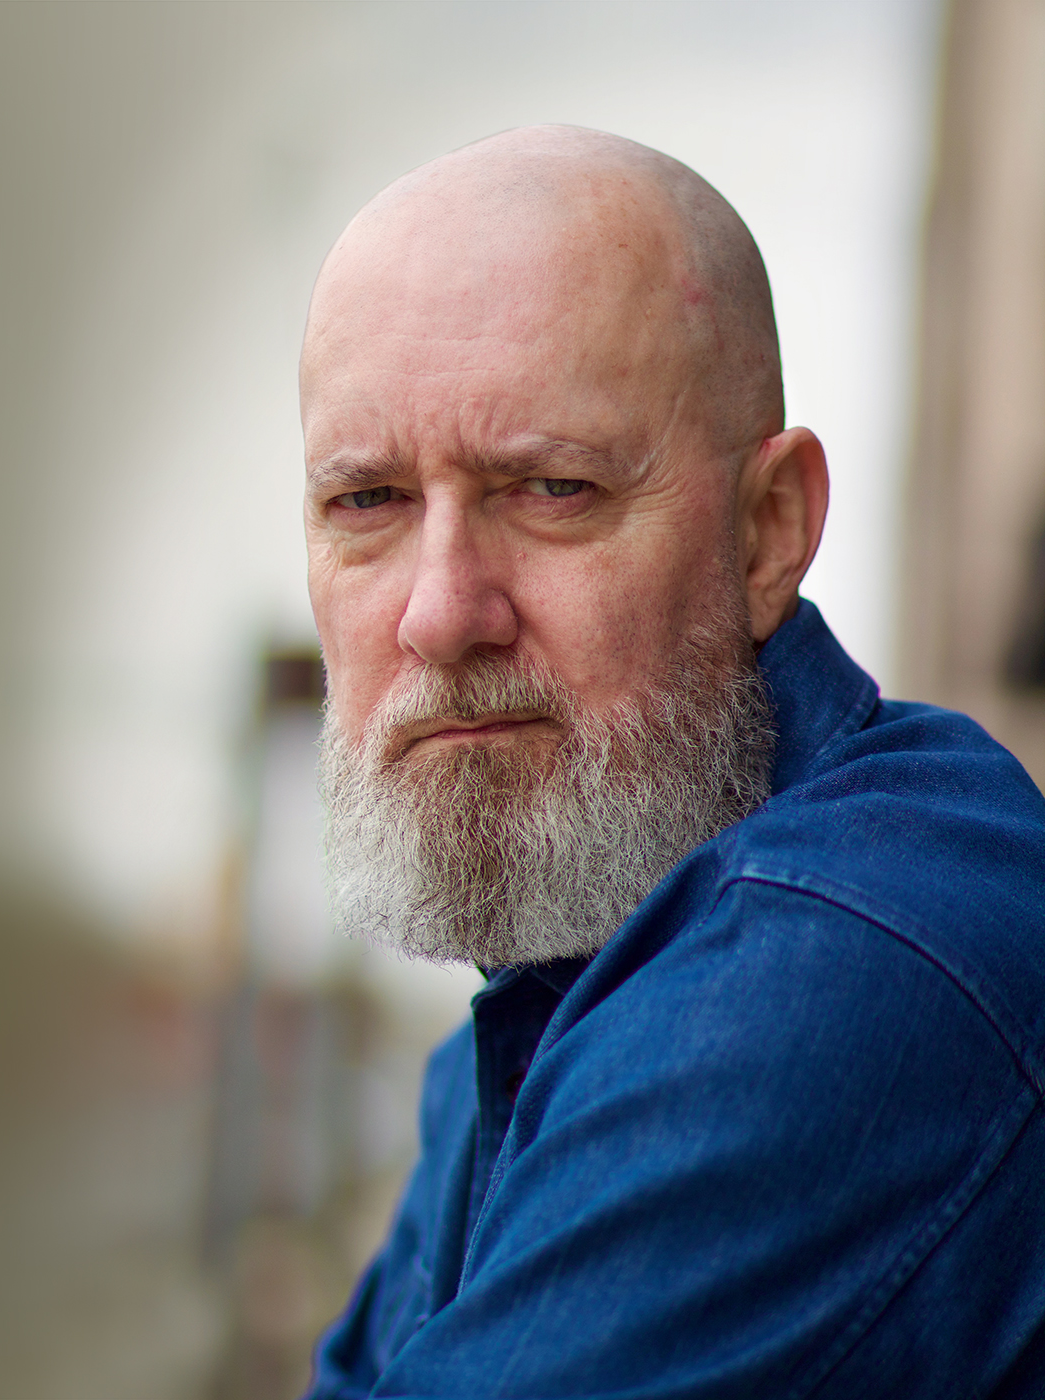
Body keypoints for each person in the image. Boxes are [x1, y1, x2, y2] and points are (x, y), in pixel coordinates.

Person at [298, 126, 1045, 1398]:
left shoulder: (841, 961)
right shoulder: (543, 991)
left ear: (767, 531)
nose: (438, 613)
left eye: (550, 488)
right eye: (365, 502)